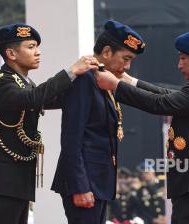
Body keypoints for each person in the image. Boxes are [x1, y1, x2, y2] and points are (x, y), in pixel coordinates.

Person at [95, 29, 189, 224]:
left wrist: (116, 86)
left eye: (183, 58)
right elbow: (169, 95)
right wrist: (129, 81)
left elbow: (161, 103)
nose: (179, 65)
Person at [0, 23, 98, 224]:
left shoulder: (23, 83)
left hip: (15, 182)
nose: (38, 52)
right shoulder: (2, 81)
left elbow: (50, 98)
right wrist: (72, 71)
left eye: (37, 47)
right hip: (1, 184)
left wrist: (86, 80)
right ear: (11, 53)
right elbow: (33, 98)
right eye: (31, 47)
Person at [51, 20, 145, 224]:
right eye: (125, 59)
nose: (127, 66)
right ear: (107, 51)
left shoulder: (101, 79)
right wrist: (80, 186)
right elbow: (71, 138)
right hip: (85, 183)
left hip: (99, 182)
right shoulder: (84, 80)